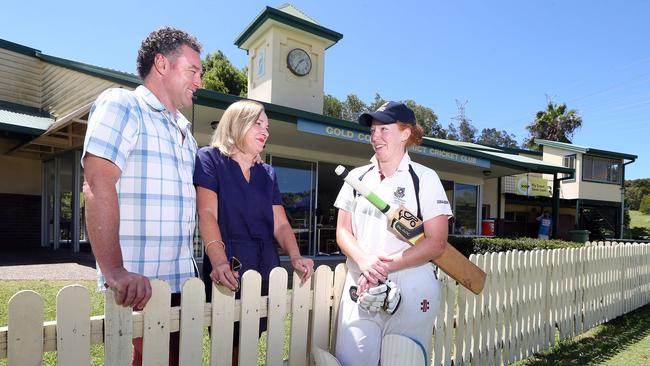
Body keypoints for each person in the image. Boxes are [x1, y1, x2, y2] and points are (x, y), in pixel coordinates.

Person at [82, 27, 203, 366]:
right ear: (162, 64)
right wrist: (116, 271)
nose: (199, 81)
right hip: (139, 289)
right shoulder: (124, 104)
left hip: (180, 286)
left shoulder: (186, 135)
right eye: (193, 70)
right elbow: (96, 183)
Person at [333, 101, 453, 365]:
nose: (375, 137)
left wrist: (384, 267)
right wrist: (365, 262)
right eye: (372, 130)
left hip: (412, 288)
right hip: (361, 286)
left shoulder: (424, 178)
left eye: (383, 129)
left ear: (405, 133)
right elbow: (342, 231)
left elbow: (437, 242)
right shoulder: (357, 178)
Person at [193, 99, 314, 360]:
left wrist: (295, 256)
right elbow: (207, 213)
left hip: (264, 264)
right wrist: (219, 262)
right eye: (258, 123)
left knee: (250, 341)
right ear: (237, 124)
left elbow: (280, 223)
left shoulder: (267, 172)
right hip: (227, 265)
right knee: (226, 345)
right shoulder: (209, 159)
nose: (266, 131)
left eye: (267, 127)